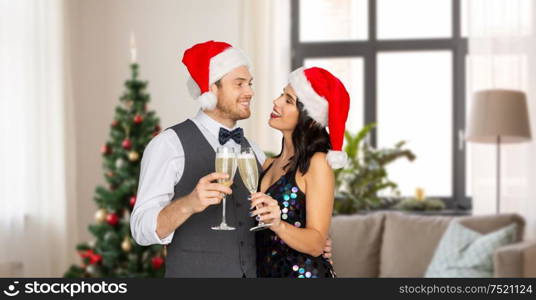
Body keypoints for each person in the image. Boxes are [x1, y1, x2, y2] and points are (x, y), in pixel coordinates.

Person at [130, 41, 332, 278]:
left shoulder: (254, 152)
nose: (250, 92)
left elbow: (289, 209)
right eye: (239, 84)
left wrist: (316, 242)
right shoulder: (168, 145)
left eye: (250, 83)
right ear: (210, 88)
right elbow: (140, 229)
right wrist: (189, 204)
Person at [250, 66, 350, 278]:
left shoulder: (318, 163)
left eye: (288, 100)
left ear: (311, 118)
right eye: (281, 95)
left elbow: (316, 244)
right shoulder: (268, 164)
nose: (276, 102)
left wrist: (278, 225)